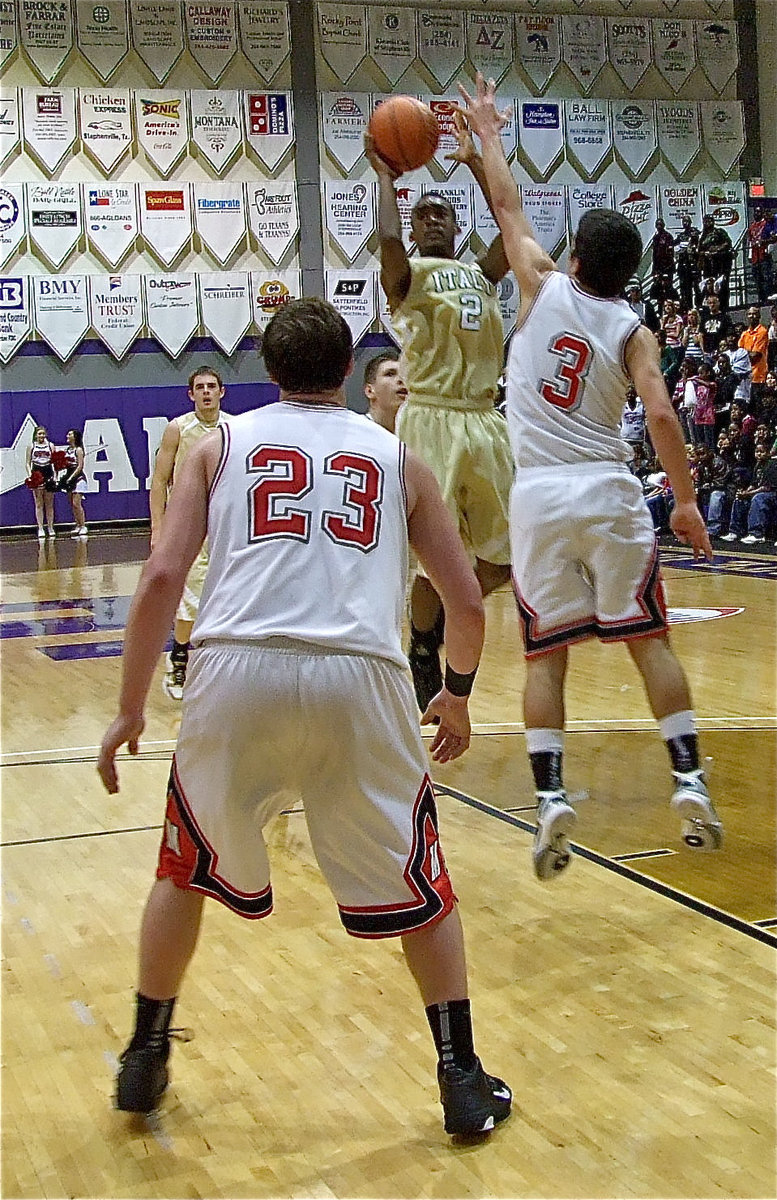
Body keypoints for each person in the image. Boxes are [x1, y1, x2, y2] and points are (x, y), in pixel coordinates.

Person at [97, 298, 511, 1137]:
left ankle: (144, 1056)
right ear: (346, 369)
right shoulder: (397, 457)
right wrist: (457, 691)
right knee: (422, 885)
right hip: (359, 677)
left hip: (233, 669)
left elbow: (161, 578)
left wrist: (130, 706)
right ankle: (460, 1077)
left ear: (270, 370)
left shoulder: (220, 444)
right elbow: (464, 601)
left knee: (184, 867)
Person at [459, 74, 722, 881]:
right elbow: (664, 417)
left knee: (545, 657)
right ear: (628, 270)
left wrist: (487, 140)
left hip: (538, 492)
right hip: (609, 489)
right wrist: (681, 500)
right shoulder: (632, 326)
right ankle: (687, 779)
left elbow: (506, 207)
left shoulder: (539, 282)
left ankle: (549, 798)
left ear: (573, 256)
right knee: (649, 641)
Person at [365, 115, 513, 714]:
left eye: (441, 214)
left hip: (484, 418)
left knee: (505, 558)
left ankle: (436, 623)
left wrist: (478, 162)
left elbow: (512, 225)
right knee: (436, 552)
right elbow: (388, 246)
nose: (432, 220)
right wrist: (384, 179)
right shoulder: (410, 276)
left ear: (456, 225)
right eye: (422, 214)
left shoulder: (481, 272)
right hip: (430, 418)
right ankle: (425, 649)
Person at [149, 366, 230, 701]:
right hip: (189, 525)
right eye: (200, 387)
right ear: (191, 393)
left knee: (227, 599)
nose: (207, 392)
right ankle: (179, 659)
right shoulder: (177, 429)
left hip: (225, 524)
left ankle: (219, 667)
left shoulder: (233, 428)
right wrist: (158, 527)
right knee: (190, 602)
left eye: (212, 386)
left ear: (222, 392)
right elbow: (158, 481)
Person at [363, 349, 408, 432]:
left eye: (405, 375)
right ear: (369, 391)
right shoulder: (356, 431)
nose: (401, 380)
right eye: (390, 374)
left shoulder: (420, 434)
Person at [25, 425, 56, 539]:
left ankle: (51, 527)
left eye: (43, 433)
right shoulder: (31, 446)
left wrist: (55, 476)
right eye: (39, 434)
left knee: (49, 503)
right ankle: (41, 528)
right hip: (37, 473)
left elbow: (54, 462)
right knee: (38, 503)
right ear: (35, 435)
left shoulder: (50, 445)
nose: (41, 436)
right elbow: (28, 463)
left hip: (48, 473)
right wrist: (30, 476)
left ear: (45, 434)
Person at [697, 215, 733, 311]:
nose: (707, 223)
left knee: (722, 286)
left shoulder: (719, 232)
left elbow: (728, 243)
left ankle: (724, 306)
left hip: (721, 262)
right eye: (705, 221)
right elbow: (699, 250)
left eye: (709, 221)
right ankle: (711, 306)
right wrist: (704, 253)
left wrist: (717, 249)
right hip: (708, 264)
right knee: (709, 287)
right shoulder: (702, 236)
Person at [59, 428, 88, 538]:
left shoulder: (79, 450)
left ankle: (83, 526)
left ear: (75, 437)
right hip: (69, 478)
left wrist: (71, 477)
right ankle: (78, 525)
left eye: (69, 434)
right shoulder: (67, 450)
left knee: (77, 503)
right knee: (72, 504)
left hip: (78, 478)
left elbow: (80, 466)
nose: (67, 435)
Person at [739, 307, 769, 411]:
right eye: (750, 314)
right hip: (745, 378)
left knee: (758, 409)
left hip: (758, 377)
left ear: (759, 316)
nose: (752, 316)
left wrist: (744, 354)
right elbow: (739, 355)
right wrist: (746, 354)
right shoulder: (744, 334)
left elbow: (755, 356)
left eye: (755, 314)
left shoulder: (762, 332)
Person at [746, 206, 775, 305]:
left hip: (764, 254)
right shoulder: (752, 226)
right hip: (755, 256)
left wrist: (767, 246)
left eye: (759, 212)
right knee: (757, 279)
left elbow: (773, 238)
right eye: (756, 212)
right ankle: (761, 299)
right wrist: (749, 255)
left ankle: (769, 299)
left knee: (766, 278)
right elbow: (750, 241)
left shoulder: (766, 224)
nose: (757, 214)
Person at [673, 214, 700, 313]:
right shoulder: (681, 236)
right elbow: (673, 245)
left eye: (687, 221)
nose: (685, 223)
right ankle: (687, 307)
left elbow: (698, 245)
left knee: (697, 287)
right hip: (683, 265)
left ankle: (698, 306)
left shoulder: (695, 233)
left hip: (694, 264)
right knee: (685, 289)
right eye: (684, 221)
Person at [651, 217, 675, 283]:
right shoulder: (655, 238)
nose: (659, 226)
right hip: (658, 265)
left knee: (668, 283)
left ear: (663, 225)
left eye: (660, 225)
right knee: (657, 283)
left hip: (667, 264)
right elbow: (654, 253)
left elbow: (671, 252)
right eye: (657, 225)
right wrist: (654, 268)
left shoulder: (668, 236)